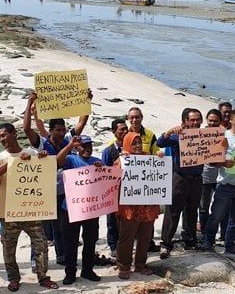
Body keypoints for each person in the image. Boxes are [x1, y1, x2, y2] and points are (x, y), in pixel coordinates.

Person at [24, 93, 89, 266]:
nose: (62, 133)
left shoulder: (67, 139)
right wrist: (30, 103)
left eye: (63, 130)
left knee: (61, 227)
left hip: (62, 192)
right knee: (40, 229)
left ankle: (61, 256)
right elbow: (27, 130)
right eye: (58, 130)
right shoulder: (42, 144)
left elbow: (82, 123)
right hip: (44, 192)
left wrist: (86, 102)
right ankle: (34, 260)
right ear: (50, 131)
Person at [0, 123, 59, 291]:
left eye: (4, 135)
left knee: (41, 245)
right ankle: (13, 278)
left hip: (30, 210)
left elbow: (45, 173)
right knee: (8, 248)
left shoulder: (31, 153)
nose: (2, 139)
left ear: (14, 133)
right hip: (8, 212)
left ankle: (43, 276)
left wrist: (43, 157)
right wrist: (14, 162)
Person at [199, 109, 235, 256]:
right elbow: (211, 161)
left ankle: (230, 245)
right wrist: (223, 163)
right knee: (216, 215)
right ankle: (208, 242)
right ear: (232, 120)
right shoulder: (223, 137)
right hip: (226, 184)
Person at [56, 135, 103, 284]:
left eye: (89, 145)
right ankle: (70, 273)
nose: (87, 148)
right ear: (77, 147)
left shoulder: (98, 161)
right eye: (83, 145)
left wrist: (101, 170)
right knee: (70, 242)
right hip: (71, 208)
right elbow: (58, 160)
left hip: (91, 209)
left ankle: (87, 270)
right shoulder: (71, 159)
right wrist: (70, 145)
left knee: (90, 241)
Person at [157, 108, 204, 257]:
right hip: (180, 178)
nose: (196, 122)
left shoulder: (205, 136)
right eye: (192, 119)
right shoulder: (178, 136)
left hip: (197, 178)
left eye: (198, 119)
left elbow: (215, 154)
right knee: (173, 211)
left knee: (192, 211)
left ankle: (190, 240)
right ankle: (165, 243)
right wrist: (169, 131)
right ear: (185, 121)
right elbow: (160, 142)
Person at [115, 132, 160, 279]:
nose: (138, 146)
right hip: (130, 207)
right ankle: (123, 266)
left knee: (145, 237)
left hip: (148, 206)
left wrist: (160, 158)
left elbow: (160, 172)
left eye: (139, 142)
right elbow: (114, 179)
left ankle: (140, 265)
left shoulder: (149, 158)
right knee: (127, 237)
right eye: (134, 143)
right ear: (127, 144)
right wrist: (123, 162)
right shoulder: (121, 160)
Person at [102, 119, 128, 257]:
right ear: (114, 132)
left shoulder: (132, 147)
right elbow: (105, 172)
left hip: (129, 191)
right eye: (121, 130)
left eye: (126, 129)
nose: (124, 132)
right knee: (112, 219)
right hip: (113, 190)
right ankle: (113, 245)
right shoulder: (109, 151)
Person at [198, 109, 224, 243]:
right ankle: (204, 233)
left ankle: (221, 234)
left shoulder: (224, 135)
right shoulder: (198, 135)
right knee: (203, 208)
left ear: (220, 121)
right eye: (211, 120)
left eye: (216, 121)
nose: (213, 123)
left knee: (219, 208)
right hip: (204, 177)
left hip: (221, 177)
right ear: (207, 121)